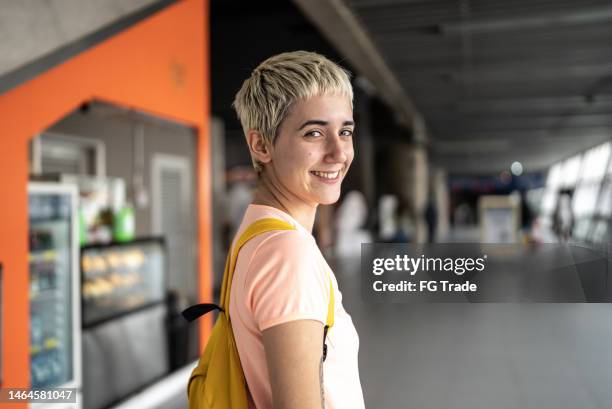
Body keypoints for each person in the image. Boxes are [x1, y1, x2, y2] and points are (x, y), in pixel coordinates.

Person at [229, 51, 365, 408]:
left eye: (345, 131)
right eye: (314, 133)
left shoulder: (257, 231)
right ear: (261, 146)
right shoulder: (286, 252)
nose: (339, 152)